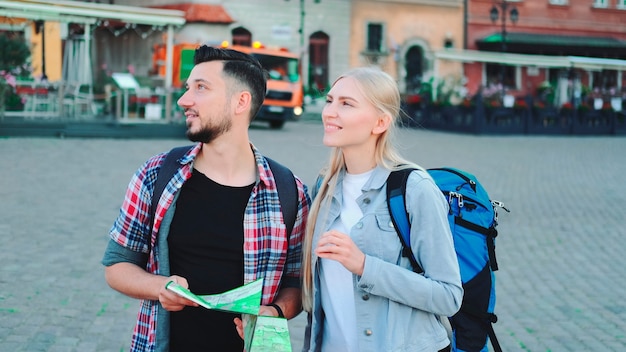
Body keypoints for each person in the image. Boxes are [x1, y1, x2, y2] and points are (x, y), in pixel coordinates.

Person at [102, 45, 310, 352]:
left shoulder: (289, 191)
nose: (184, 100)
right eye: (188, 88)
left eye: (201, 88)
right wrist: (161, 287)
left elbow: (296, 284)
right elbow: (117, 266)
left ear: (241, 101)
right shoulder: (157, 173)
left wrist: (275, 312)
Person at [301, 67, 463, 352]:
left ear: (380, 123)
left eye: (346, 104)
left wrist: (365, 266)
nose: (330, 112)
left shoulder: (414, 188)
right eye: (330, 100)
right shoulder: (324, 187)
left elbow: (448, 296)